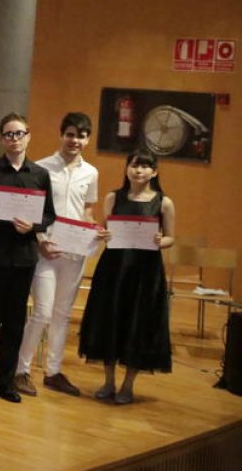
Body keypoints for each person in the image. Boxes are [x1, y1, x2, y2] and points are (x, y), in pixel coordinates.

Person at [0, 113, 56, 403]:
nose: (14, 139)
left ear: (28, 136)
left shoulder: (40, 174)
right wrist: (2, 219)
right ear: (1, 138)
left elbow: (49, 214)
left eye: (20, 133)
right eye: (9, 134)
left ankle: (7, 380)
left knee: (15, 322)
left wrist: (34, 226)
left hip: (25, 258)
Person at [79, 150, 175, 405]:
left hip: (145, 272)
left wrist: (160, 240)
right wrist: (102, 234)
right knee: (109, 320)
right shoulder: (113, 197)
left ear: (154, 171)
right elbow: (105, 228)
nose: (139, 170)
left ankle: (128, 384)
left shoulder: (164, 202)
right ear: (127, 168)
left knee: (138, 323)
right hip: (114, 268)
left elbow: (170, 237)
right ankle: (109, 380)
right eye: (134, 165)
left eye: (145, 166)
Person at [14, 112, 100, 398]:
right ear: (62, 134)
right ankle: (20, 370)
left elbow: (87, 211)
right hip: (46, 249)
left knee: (62, 315)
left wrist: (93, 229)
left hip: (75, 253)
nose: (75, 140)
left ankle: (53, 371)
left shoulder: (91, 172)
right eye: (71, 134)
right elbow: (32, 210)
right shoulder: (41, 168)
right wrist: (40, 240)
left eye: (82, 136)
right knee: (41, 311)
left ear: (88, 139)